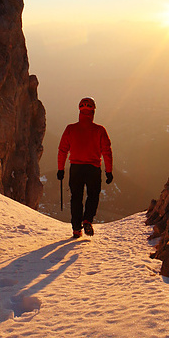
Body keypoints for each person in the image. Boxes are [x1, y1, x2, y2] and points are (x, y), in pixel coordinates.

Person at [57, 97, 113, 238]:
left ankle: (76, 229)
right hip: (93, 168)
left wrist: (61, 169)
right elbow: (107, 152)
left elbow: (62, 150)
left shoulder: (70, 129)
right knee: (92, 195)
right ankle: (87, 219)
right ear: (93, 112)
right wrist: (109, 171)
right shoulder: (100, 130)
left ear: (80, 111)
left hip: (76, 168)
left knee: (76, 197)